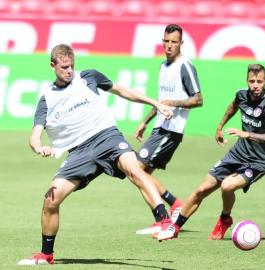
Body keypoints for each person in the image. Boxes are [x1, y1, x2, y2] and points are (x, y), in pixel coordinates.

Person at [18, 44, 174, 265]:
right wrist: (39, 147)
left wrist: (155, 103)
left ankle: (164, 220)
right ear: (52, 66)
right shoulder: (46, 98)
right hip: (78, 153)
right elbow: (34, 135)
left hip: (106, 137)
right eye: (64, 67)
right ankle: (46, 254)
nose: (69, 70)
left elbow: (122, 90)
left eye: (72, 66)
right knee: (50, 200)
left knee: (134, 169)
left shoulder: (88, 77)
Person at [157, 63, 265, 241]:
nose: (255, 85)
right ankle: (174, 227)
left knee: (227, 185)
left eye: (259, 82)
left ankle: (225, 218)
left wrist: (246, 134)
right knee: (201, 189)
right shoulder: (242, 95)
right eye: (252, 81)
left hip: (259, 161)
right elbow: (233, 106)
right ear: (247, 81)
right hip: (238, 153)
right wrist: (220, 126)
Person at [134, 24, 203, 235]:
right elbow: (160, 101)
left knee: (136, 169)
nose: (169, 45)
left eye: (174, 42)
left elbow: (198, 100)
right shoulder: (163, 67)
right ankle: (169, 210)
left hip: (172, 129)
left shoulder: (185, 66)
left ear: (181, 43)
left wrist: (173, 103)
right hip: (159, 127)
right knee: (141, 173)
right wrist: (145, 121)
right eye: (166, 41)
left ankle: (168, 211)